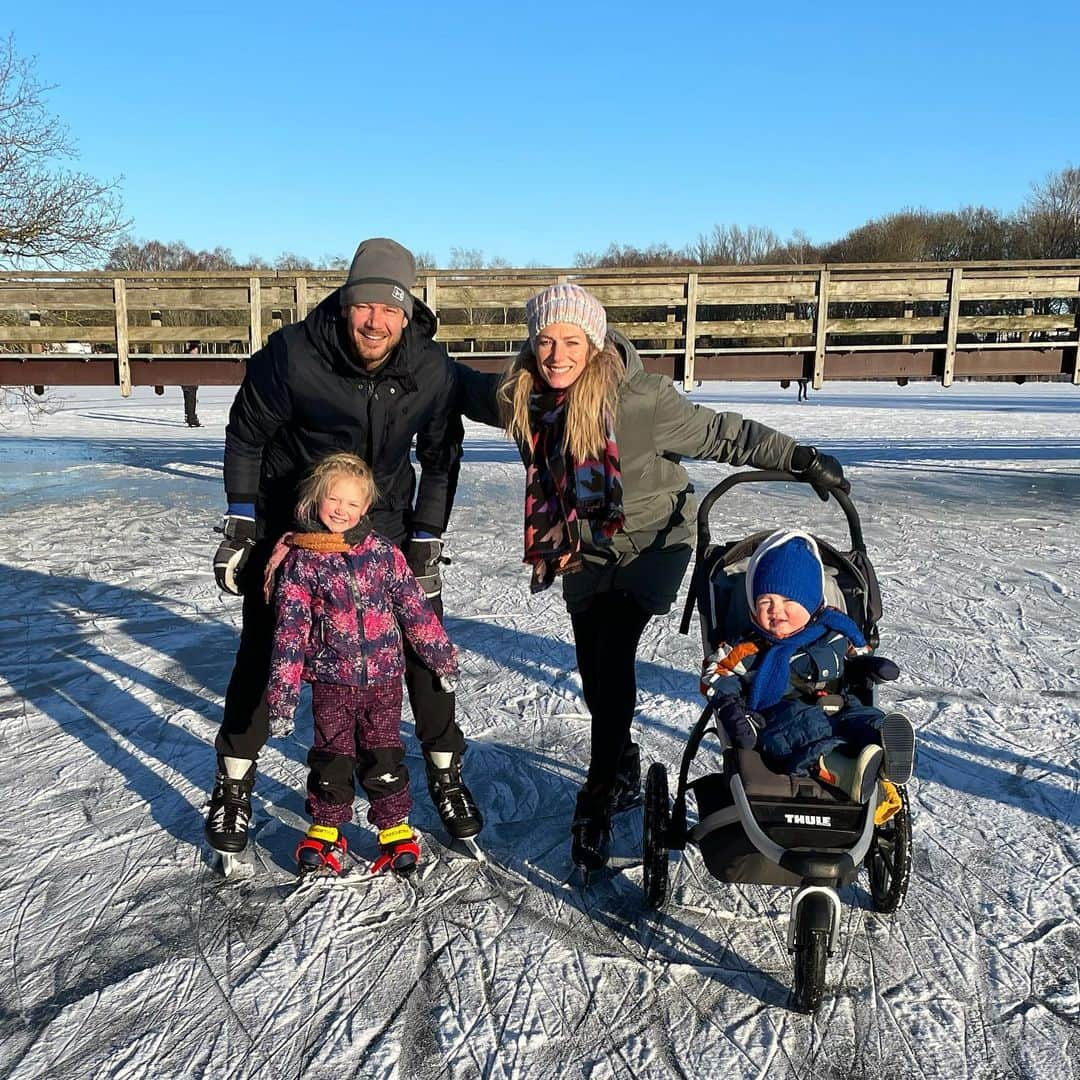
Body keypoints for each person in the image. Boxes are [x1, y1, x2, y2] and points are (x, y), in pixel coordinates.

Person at [454, 282, 851, 872]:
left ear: (593, 341)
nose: (557, 355)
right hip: (580, 547)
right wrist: (407, 339)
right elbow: (457, 385)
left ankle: (597, 792)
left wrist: (800, 457)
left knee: (611, 660)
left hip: (652, 543)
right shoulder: (521, 398)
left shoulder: (640, 399)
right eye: (544, 341)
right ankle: (619, 763)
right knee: (595, 671)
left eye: (571, 341)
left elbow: (722, 433)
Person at [206, 238, 482, 859]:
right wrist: (243, 522)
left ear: (408, 311)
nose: (376, 322)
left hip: (381, 522)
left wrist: (426, 539)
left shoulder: (429, 369)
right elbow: (246, 434)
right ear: (346, 303)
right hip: (297, 521)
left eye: (390, 308)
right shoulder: (293, 355)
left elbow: (441, 458)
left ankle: (445, 774)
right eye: (365, 306)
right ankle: (232, 785)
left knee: (420, 643)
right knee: (265, 645)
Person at [266, 453, 458, 877]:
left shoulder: (384, 555)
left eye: (352, 504)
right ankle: (326, 829)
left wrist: (440, 658)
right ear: (317, 499)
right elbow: (290, 632)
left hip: (383, 680)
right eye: (334, 500)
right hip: (332, 680)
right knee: (332, 756)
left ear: (366, 509)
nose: (341, 510)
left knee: (383, 754)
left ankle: (394, 830)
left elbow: (414, 610)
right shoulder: (302, 561)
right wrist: (281, 699)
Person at [699, 528, 915, 803]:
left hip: (840, 704)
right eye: (765, 601)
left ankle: (884, 752)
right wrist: (730, 706)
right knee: (806, 726)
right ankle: (841, 770)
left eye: (789, 600)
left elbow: (855, 651)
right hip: (778, 714)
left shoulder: (835, 630)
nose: (776, 610)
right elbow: (716, 673)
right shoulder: (747, 646)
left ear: (813, 603)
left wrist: (868, 664)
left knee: (864, 719)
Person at [182, 342, 201, 427]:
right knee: (190, 395)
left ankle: (190, 416)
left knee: (190, 395)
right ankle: (191, 417)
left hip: (190, 377)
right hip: (189, 377)